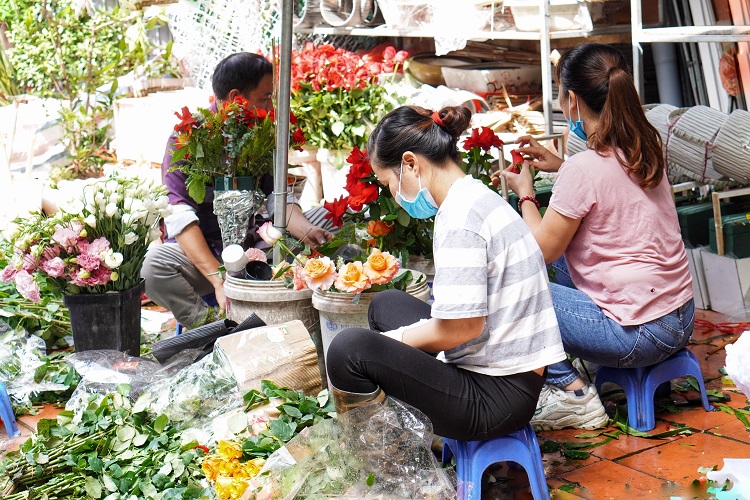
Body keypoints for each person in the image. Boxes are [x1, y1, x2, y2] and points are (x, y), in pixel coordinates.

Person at [325, 105, 567, 441]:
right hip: (508, 372)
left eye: (389, 183)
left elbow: (461, 328)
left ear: (410, 163)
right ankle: (407, 426)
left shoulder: (460, 218)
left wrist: (393, 342)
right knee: (388, 304)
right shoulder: (474, 195)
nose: (395, 198)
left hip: (496, 397)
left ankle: (382, 461)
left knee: (347, 350)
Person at [501, 43, 694, 431]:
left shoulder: (584, 170)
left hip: (640, 336)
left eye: (559, 92)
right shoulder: (644, 145)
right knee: (563, 259)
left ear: (571, 100)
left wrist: (525, 192)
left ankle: (571, 393)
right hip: (681, 319)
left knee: (513, 283)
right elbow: (607, 185)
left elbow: (541, 250)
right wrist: (562, 166)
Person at [142, 52, 333, 327]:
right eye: (265, 98)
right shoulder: (187, 137)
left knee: (329, 220)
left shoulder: (260, 133)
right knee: (153, 267)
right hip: (205, 257)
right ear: (234, 98)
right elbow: (179, 215)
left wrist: (306, 230)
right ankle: (212, 329)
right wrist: (218, 281)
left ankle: (296, 319)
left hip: (258, 246)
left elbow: (276, 197)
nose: (270, 107)